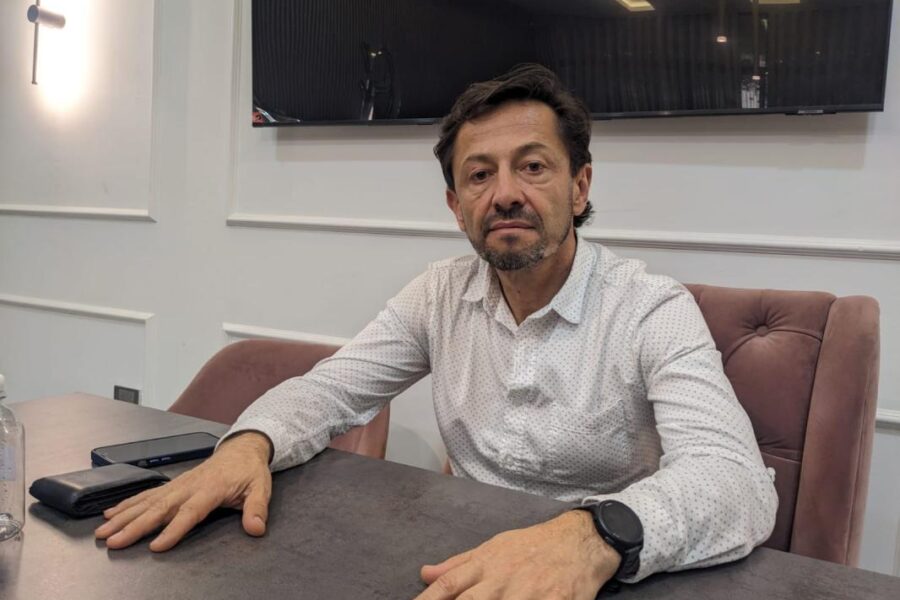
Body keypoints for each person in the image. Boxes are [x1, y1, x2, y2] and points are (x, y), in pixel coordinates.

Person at [95, 64, 777, 599]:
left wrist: (591, 538)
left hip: (605, 573)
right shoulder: (439, 294)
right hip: (463, 560)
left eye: (533, 166)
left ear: (579, 187)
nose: (504, 193)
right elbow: (330, 391)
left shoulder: (652, 307)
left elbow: (735, 481)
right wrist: (248, 443)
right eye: (479, 175)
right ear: (456, 206)